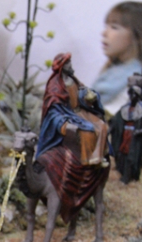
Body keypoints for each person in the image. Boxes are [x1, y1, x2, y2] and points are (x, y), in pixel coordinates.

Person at [37, 53, 111, 223]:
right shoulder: (55, 85)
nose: (71, 65)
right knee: (87, 130)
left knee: (101, 125)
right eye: (68, 63)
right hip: (67, 115)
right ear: (62, 66)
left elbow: (82, 91)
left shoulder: (73, 79)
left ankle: (98, 157)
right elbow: (53, 108)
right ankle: (87, 158)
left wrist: (90, 95)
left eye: (70, 62)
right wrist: (64, 123)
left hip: (79, 112)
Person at [91, 2, 142, 115]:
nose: (104, 33)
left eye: (114, 27)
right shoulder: (115, 70)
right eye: (106, 26)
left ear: (137, 36)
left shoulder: (133, 78)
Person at [110, 79, 142, 184]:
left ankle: (127, 177)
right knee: (121, 154)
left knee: (131, 156)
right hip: (124, 135)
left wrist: (140, 131)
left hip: (135, 137)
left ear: (138, 96)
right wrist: (111, 128)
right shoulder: (125, 108)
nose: (132, 96)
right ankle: (123, 172)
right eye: (130, 94)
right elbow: (116, 120)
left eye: (134, 94)